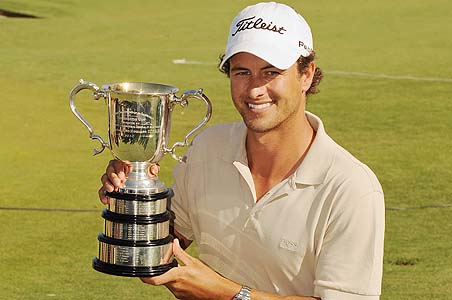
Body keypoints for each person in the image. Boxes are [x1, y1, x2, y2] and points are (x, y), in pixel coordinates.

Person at [99, 2, 385, 300]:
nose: (253, 90)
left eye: (271, 72)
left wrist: (226, 293)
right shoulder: (207, 149)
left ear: (306, 74)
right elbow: (161, 249)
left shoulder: (352, 188)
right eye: (242, 72)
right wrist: (133, 197)